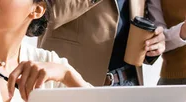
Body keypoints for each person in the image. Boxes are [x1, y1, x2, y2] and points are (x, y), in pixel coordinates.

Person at [38, 0, 166, 86]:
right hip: (72, 85)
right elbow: (46, 14)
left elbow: (138, 19)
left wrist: (153, 44)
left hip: (127, 83)